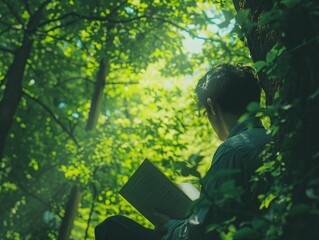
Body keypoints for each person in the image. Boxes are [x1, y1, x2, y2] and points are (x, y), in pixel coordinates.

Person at [95, 63, 271, 240]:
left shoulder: (233, 150)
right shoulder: (270, 140)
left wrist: (171, 226)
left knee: (112, 227)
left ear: (213, 106)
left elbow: (203, 233)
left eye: (205, 112)